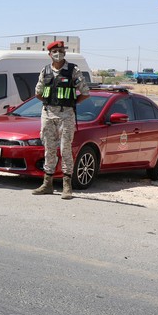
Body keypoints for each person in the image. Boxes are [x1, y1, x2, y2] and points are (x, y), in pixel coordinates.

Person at [32, 40, 90, 199]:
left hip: (66, 115)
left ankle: (67, 185)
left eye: (61, 50)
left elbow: (85, 93)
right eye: (55, 51)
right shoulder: (45, 71)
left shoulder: (73, 70)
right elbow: (38, 93)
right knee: (49, 149)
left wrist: (72, 103)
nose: (58, 53)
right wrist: (50, 102)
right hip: (48, 114)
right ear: (49, 54)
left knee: (65, 149)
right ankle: (47, 184)